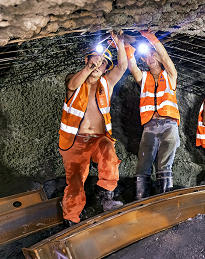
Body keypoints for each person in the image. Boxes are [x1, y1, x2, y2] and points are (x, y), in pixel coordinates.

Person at [58, 31, 128, 227]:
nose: (98, 64)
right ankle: (71, 219)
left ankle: (106, 195)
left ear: (106, 67)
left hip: (98, 139)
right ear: (87, 61)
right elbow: (72, 83)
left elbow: (123, 66)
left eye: (102, 62)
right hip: (74, 142)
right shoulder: (75, 81)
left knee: (108, 148)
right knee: (75, 181)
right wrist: (88, 69)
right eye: (94, 61)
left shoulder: (107, 83)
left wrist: (119, 42)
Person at [126, 30, 180, 200]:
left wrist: (150, 37)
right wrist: (126, 45)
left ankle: (164, 201)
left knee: (164, 164)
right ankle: (140, 202)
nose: (150, 59)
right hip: (150, 126)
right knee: (143, 165)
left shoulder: (170, 75)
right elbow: (132, 66)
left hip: (169, 125)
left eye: (153, 55)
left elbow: (165, 56)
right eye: (147, 57)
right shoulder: (144, 78)